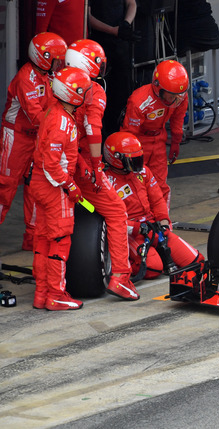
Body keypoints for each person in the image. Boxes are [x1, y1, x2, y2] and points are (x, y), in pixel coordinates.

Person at [66, 39, 138, 301]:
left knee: (47, 226)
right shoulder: (94, 91)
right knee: (117, 211)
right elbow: (92, 130)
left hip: (50, 164)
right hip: (79, 163)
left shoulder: (55, 85)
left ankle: (49, 282)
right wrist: (95, 168)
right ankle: (120, 276)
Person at [29, 67, 92, 311]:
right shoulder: (62, 122)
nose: (86, 95)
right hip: (54, 188)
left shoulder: (53, 112)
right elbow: (50, 163)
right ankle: (56, 294)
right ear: (73, 94)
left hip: (41, 185)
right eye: (84, 91)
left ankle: (41, 293)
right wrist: (70, 186)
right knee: (60, 240)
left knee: (44, 239)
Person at [103, 132, 202, 279]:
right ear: (116, 159)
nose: (137, 164)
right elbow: (106, 218)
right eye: (132, 160)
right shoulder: (105, 181)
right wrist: (136, 228)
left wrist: (163, 221)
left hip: (153, 227)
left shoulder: (143, 171)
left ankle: (159, 254)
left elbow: (157, 200)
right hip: (130, 232)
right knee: (152, 269)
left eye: (138, 158)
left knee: (196, 261)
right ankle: (128, 260)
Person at [0, 32, 67, 250]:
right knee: (5, 187)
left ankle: (32, 237)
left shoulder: (48, 76)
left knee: (35, 187)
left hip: (37, 138)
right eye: (56, 60)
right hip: (16, 137)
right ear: (43, 58)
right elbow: (37, 116)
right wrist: (59, 132)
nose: (59, 65)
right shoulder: (26, 78)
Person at [88, 0, 139, 137]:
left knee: (123, 87)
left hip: (120, 39)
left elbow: (131, 2)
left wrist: (126, 24)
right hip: (100, 42)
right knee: (101, 88)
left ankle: (120, 130)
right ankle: (102, 132)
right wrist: (113, 31)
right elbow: (87, 16)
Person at [121, 60, 189, 207]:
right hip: (138, 141)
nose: (175, 99)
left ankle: (164, 222)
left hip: (159, 140)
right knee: (135, 183)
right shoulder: (139, 101)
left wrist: (176, 141)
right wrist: (130, 156)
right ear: (158, 88)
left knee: (160, 186)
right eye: (171, 95)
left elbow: (178, 118)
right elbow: (128, 135)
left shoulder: (180, 96)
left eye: (179, 95)